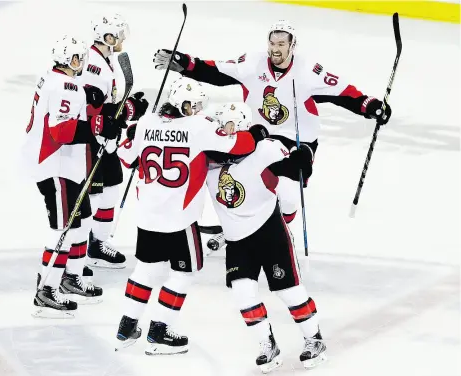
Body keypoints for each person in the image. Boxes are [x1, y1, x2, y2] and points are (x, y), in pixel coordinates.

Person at [153, 19, 392, 247]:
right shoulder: (252, 63)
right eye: (272, 43)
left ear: (292, 45)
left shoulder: (308, 71)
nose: (275, 49)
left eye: (281, 44)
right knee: (229, 175)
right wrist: (185, 63)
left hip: (298, 142)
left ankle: (280, 233)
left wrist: (369, 106)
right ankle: (241, 225)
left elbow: (343, 92)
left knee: (288, 195)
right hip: (259, 135)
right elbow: (217, 71)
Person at [113, 77, 268, 355]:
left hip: (147, 215)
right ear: (182, 104)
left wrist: (134, 134)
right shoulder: (198, 126)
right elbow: (238, 146)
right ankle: (159, 332)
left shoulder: (146, 123)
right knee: (185, 272)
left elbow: (126, 157)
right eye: (193, 105)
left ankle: (126, 328)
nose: (197, 109)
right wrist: (256, 134)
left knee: (146, 270)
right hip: (180, 219)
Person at [205, 102, 326, 371]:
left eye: (223, 126)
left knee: (289, 290)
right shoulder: (208, 159)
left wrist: (302, 161)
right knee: (243, 294)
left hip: (269, 233)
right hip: (237, 240)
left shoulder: (265, 150)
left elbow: (294, 172)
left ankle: (313, 339)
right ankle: (267, 344)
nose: (218, 132)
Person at [21, 36, 125, 318]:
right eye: (80, 58)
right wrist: (98, 129)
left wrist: (98, 118)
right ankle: (46, 290)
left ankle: (69, 279)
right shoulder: (67, 87)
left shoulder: (53, 78)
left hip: (65, 166)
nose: (83, 63)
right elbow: (62, 132)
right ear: (73, 61)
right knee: (63, 229)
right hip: (55, 168)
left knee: (81, 223)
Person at [82, 13, 149, 269]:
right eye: (119, 35)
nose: (122, 39)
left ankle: (97, 245)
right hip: (91, 142)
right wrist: (125, 111)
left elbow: (108, 106)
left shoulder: (106, 59)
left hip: (106, 140)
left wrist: (129, 108)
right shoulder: (92, 66)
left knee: (110, 193)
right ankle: (79, 251)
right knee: (94, 198)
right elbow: (92, 110)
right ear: (108, 38)